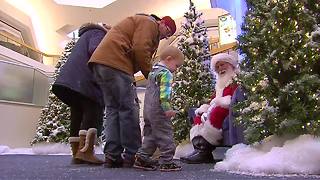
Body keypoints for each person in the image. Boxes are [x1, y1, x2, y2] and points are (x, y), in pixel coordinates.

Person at [88, 14, 177, 168]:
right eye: (167, 31)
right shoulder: (149, 23)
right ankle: (134, 154)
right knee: (129, 108)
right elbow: (141, 48)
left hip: (101, 64)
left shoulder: (139, 22)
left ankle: (112, 155)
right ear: (161, 22)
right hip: (117, 63)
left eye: (168, 36)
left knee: (113, 109)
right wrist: (152, 76)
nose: (164, 36)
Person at [52, 23, 111, 165]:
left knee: (77, 113)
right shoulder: (99, 33)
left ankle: (77, 152)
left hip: (70, 81)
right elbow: (95, 49)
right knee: (93, 110)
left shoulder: (86, 35)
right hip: (85, 80)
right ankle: (86, 152)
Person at [180, 53, 239, 164]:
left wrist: (219, 102)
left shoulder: (235, 80)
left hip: (230, 108)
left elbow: (235, 97)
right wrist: (206, 107)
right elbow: (213, 98)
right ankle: (201, 150)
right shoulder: (219, 84)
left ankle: (203, 150)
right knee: (199, 115)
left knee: (217, 111)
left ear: (230, 65)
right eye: (217, 67)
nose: (220, 68)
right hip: (218, 106)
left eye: (222, 65)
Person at [133, 46, 184, 172]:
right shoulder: (165, 74)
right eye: (176, 66)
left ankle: (142, 157)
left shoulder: (152, 72)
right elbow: (164, 94)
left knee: (150, 135)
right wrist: (167, 109)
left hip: (148, 110)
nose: (175, 70)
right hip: (159, 111)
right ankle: (167, 161)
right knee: (165, 134)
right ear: (169, 59)